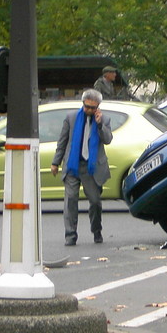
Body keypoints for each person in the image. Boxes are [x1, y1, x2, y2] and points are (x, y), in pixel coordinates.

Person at [51, 89, 113, 246]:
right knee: (70, 199)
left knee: (95, 202)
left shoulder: (104, 119)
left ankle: (96, 230)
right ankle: (70, 235)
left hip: (91, 167)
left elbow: (107, 140)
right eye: (87, 107)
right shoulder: (71, 118)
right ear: (83, 104)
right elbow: (63, 141)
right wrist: (55, 162)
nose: (90, 110)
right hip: (73, 164)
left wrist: (99, 125)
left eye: (93, 108)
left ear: (98, 107)